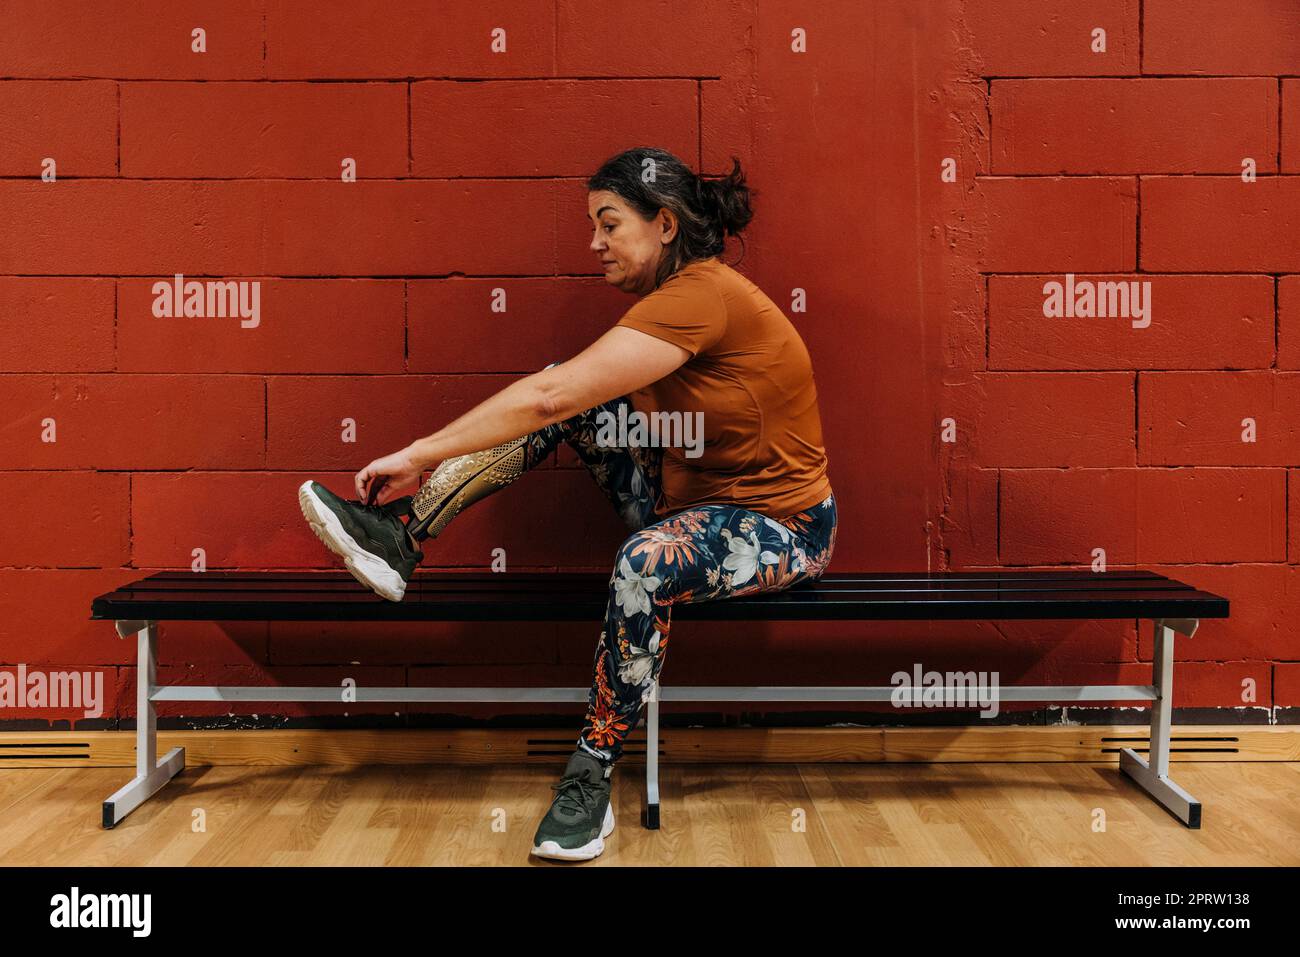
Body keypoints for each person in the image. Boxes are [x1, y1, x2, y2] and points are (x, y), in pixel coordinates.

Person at [297, 146, 838, 862]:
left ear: (665, 226)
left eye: (609, 224)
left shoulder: (705, 295)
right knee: (565, 393)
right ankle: (404, 536)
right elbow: (562, 397)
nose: (594, 243)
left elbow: (550, 398)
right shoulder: (666, 306)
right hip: (685, 506)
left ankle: (590, 772)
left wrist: (419, 451)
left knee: (644, 556)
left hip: (782, 528)